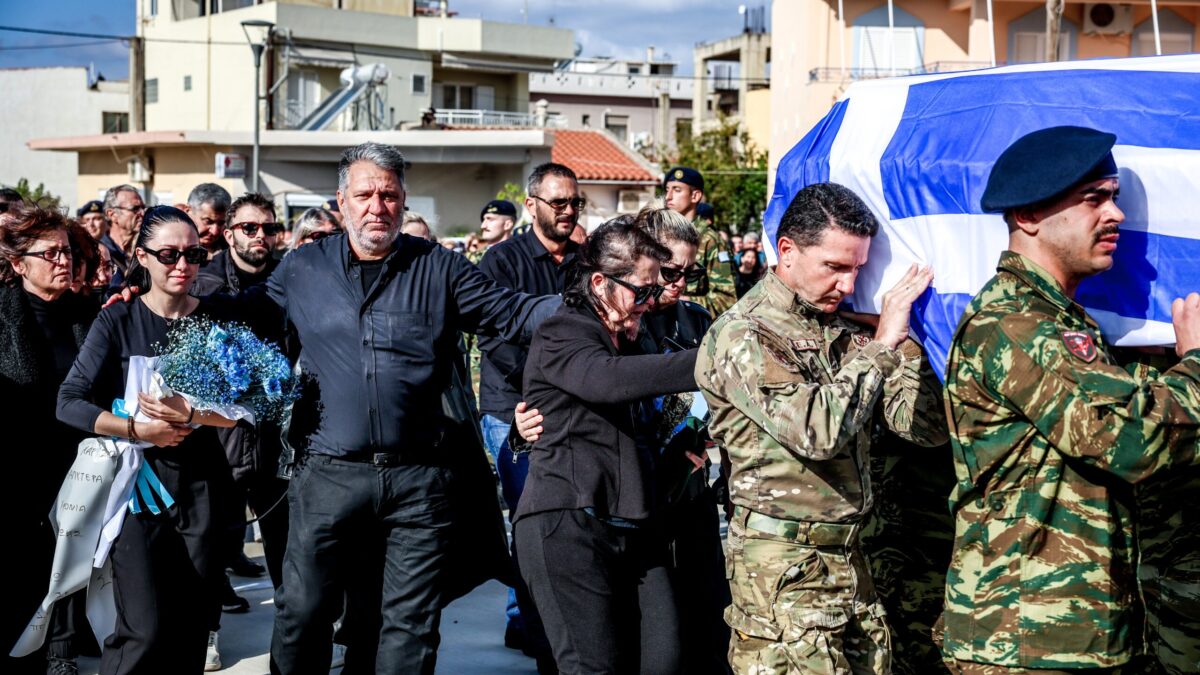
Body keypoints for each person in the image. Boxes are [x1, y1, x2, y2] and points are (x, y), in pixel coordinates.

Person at [257, 142, 555, 674]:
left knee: (409, 628)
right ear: (341, 201)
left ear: (403, 200)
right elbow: (244, 316)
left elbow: (511, 313)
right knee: (303, 613)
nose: (378, 206)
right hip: (327, 477)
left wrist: (593, 300)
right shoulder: (303, 269)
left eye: (389, 195)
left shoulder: (440, 269)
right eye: (366, 194)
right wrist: (162, 297)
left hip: (419, 483)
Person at [941, 125, 1200, 673]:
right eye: (1094, 199)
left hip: (1068, 634)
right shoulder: (1015, 324)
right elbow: (1131, 442)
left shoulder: (1061, 322)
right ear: (1029, 215)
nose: (1117, 216)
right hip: (1024, 640)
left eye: (1116, 197)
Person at [696, 182, 948, 674]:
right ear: (787, 251)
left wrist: (913, 343)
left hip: (852, 562)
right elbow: (818, 430)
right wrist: (883, 343)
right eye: (835, 267)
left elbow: (921, 428)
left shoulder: (840, 329)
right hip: (784, 572)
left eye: (858, 269)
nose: (849, 285)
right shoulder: (745, 334)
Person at [57, 205, 239, 674]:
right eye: (169, 254)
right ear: (142, 257)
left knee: (192, 625)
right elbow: (69, 402)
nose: (183, 265)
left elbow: (246, 409)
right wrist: (138, 429)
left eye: (194, 254)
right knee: (144, 627)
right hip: (136, 487)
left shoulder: (216, 321)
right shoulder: (117, 319)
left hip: (202, 486)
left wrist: (193, 412)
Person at [513, 217, 698, 675]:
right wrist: (716, 359)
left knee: (665, 660)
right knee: (594, 667)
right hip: (568, 521)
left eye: (655, 290)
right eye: (642, 290)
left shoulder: (631, 336)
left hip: (635, 524)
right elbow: (605, 381)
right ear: (599, 282)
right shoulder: (562, 331)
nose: (650, 301)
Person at [476, 163, 581, 669]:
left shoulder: (588, 263)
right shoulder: (501, 262)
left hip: (574, 409)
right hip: (511, 407)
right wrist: (548, 381)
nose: (568, 211)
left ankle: (557, 614)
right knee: (526, 516)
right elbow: (493, 338)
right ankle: (524, 615)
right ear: (533, 204)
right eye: (558, 202)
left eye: (575, 203)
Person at [632, 207, 733, 675]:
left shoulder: (696, 319)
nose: (679, 283)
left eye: (688, 273)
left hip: (691, 486)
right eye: (669, 272)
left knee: (709, 621)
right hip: (638, 494)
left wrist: (711, 431)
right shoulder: (619, 322)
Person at [1, 206, 101, 675]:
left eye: (67, 251)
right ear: (20, 263)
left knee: (71, 556)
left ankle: (62, 651)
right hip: (17, 461)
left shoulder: (90, 314)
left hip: (78, 458)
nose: (64, 260)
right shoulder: (3, 313)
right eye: (51, 252)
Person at [192, 192, 288, 670]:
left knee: (288, 543)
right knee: (211, 542)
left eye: (269, 228)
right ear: (228, 233)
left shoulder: (291, 277)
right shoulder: (205, 281)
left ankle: (295, 638)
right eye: (250, 228)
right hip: (219, 436)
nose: (261, 237)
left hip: (279, 434)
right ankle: (207, 633)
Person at [662, 167, 735, 317]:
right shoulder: (661, 234)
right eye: (667, 189)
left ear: (695, 196)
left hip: (690, 329)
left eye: (677, 190)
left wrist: (682, 301)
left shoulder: (709, 241)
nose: (668, 196)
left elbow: (727, 300)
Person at [100, 185, 145, 291]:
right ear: (112, 214)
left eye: (143, 207)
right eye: (135, 209)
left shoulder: (146, 248)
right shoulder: (99, 252)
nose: (142, 213)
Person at [183, 183, 231, 261]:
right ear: (188, 211)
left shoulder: (233, 251)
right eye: (208, 221)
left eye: (221, 223)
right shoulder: (167, 248)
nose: (215, 231)